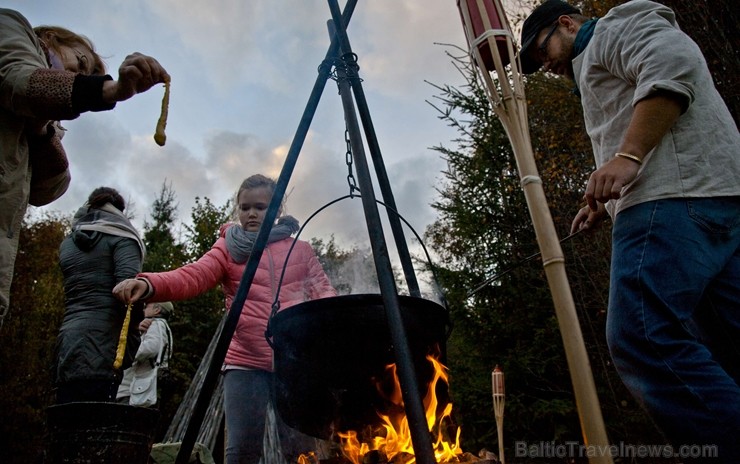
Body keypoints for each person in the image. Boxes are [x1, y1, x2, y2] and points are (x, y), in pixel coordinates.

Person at [519, 0, 740, 460]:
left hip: (669, 202)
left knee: (641, 335)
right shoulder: (596, 65)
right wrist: (607, 200)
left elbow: (674, 63)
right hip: (713, 201)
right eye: (539, 64)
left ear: (566, 23)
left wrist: (630, 159)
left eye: (543, 50)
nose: (546, 64)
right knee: (729, 346)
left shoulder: (613, 30)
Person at [113, 174, 337, 464]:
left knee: (301, 451)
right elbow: (193, 275)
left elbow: (325, 295)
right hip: (244, 362)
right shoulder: (229, 249)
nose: (251, 213)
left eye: (260, 206)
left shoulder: (300, 250)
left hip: (294, 364)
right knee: (241, 450)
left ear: (277, 210)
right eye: (245, 207)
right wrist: (149, 285)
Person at [0, 8, 169, 329]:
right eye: (81, 62)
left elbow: (50, 188)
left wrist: (40, 128)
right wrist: (111, 90)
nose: (83, 73)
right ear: (52, 39)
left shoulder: (45, 126)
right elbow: (19, 80)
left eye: (89, 73)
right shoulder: (10, 26)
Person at [54, 187, 147, 404]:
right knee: (96, 425)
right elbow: (128, 294)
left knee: (67, 424)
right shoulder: (124, 238)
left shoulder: (67, 244)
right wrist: (134, 336)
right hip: (105, 346)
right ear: (119, 210)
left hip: (67, 342)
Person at [117, 301, 174, 407]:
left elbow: (150, 348)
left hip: (133, 391)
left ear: (157, 310)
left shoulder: (156, 324)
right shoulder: (160, 326)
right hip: (138, 390)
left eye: (146, 307)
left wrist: (126, 353)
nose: (143, 310)